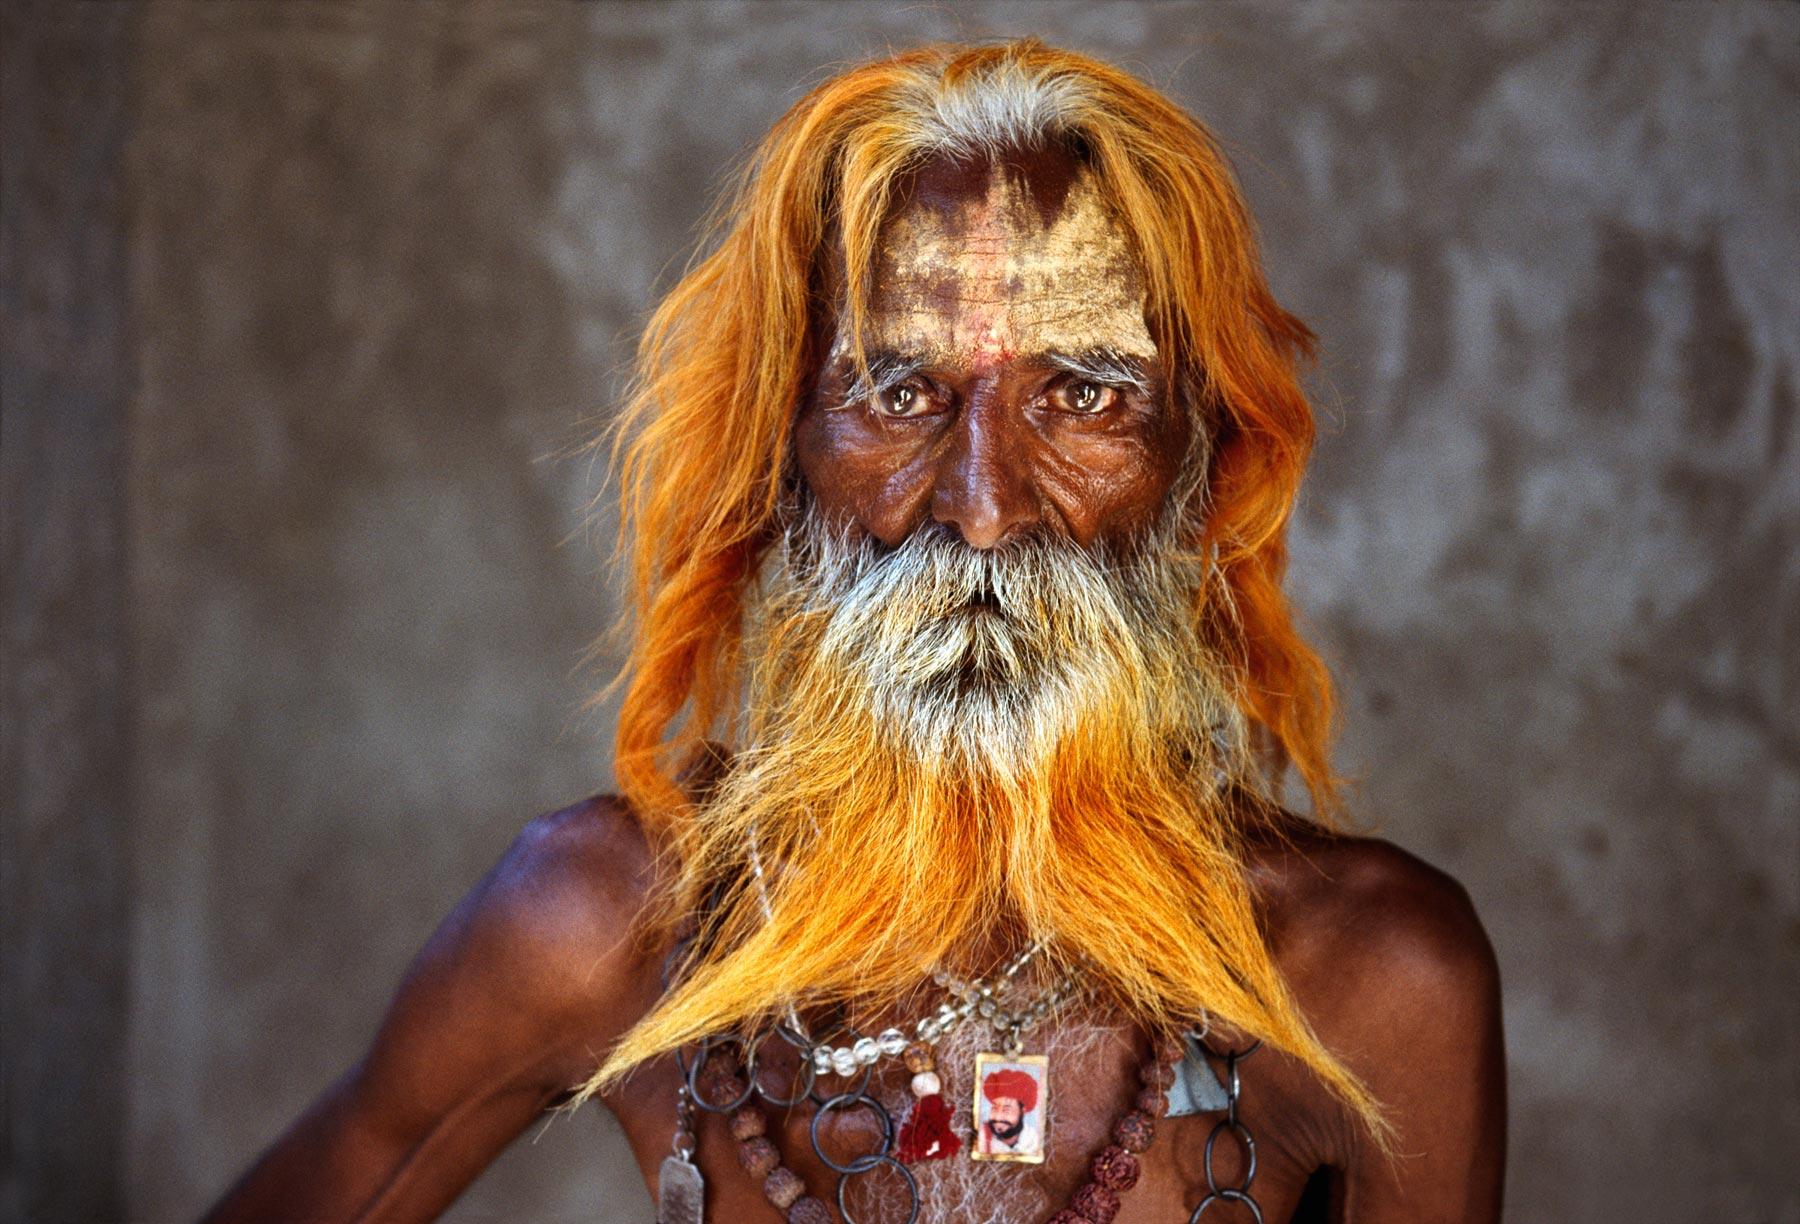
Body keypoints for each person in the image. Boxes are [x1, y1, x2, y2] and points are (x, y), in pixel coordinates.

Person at [205, 40, 1505, 1224]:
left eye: (1083, 393)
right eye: (899, 390)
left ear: (1196, 467)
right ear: (781, 458)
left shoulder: (1369, 982)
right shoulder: (600, 924)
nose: (983, 511)